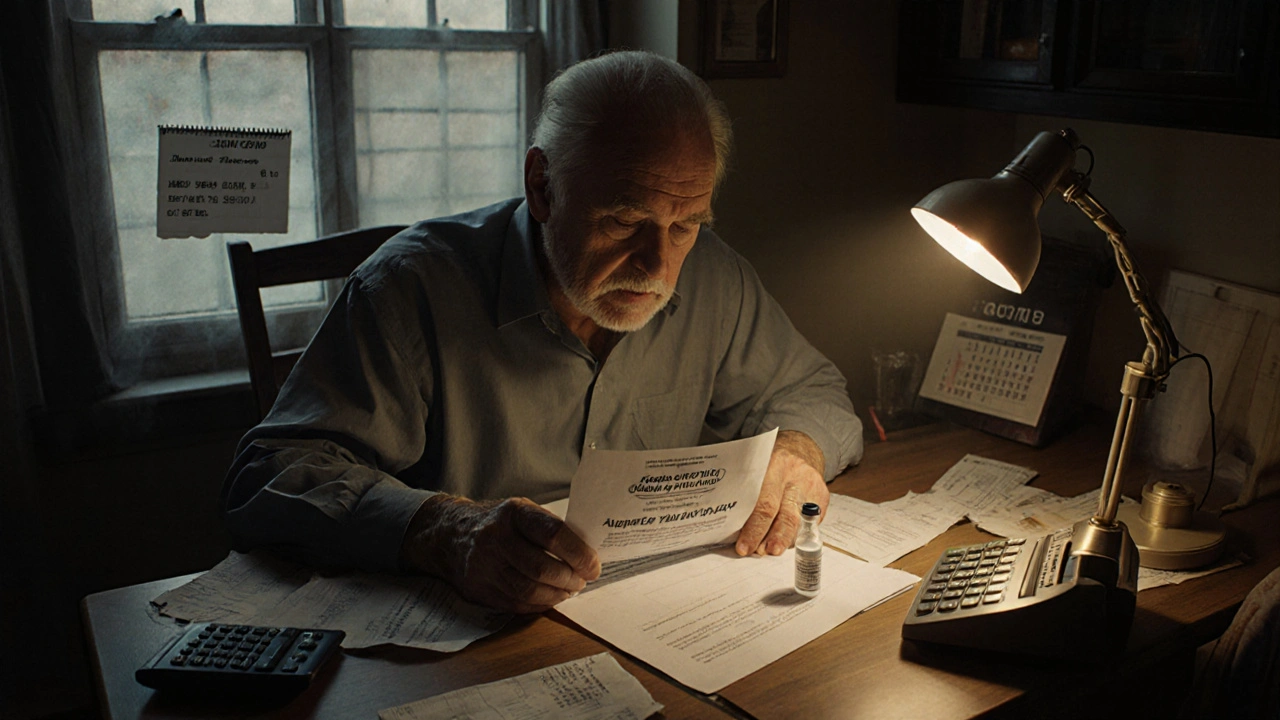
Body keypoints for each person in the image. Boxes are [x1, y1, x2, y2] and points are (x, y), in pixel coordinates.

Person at [221, 50, 863, 614]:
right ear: (542, 187)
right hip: (461, 647)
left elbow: (815, 392)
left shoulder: (714, 278)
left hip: (660, 619)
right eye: (625, 220)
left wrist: (797, 452)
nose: (657, 266)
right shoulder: (410, 288)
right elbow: (268, 476)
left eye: (685, 225)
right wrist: (443, 531)